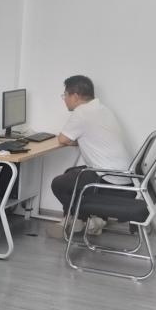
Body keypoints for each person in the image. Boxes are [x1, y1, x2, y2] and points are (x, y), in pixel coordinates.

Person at [51, 75, 131, 235]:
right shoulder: (102, 109)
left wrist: (71, 139)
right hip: (125, 175)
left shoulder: (82, 113)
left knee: (58, 184)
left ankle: (85, 220)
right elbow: (88, 136)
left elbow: (63, 139)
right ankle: (84, 219)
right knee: (71, 174)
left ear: (75, 96)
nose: (64, 99)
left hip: (109, 177)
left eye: (65, 95)